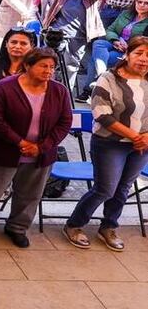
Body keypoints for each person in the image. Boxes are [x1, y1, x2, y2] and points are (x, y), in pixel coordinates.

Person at [0, 47, 73, 248]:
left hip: (40, 154)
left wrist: (41, 146)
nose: (48, 71)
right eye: (43, 66)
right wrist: (20, 142)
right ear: (27, 66)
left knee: (30, 194)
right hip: (3, 151)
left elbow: (64, 122)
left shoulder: (59, 91)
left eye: (52, 67)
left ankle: (17, 228)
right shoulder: (5, 87)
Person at [64, 36, 148, 251]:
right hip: (110, 143)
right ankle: (74, 224)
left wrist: (143, 138)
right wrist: (135, 136)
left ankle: (109, 227)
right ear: (127, 54)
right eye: (139, 53)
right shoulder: (108, 79)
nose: (143, 59)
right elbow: (102, 114)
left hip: (141, 146)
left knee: (123, 188)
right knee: (105, 189)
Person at [39, 0, 109, 99]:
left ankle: (64, 94)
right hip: (58, 33)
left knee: (71, 66)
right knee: (50, 61)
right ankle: (46, 91)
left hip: (79, 36)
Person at [89, 0, 148, 86]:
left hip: (128, 51)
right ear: (135, 2)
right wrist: (115, 41)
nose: (142, 5)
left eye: (146, 3)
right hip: (115, 43)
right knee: (99, 43)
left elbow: (144, 43)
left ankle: (89, 89)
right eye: (139, 2)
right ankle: (101, 76)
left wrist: (128, 48)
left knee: (96, 58)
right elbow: (110, 30)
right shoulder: (126, 14)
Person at [0, 28, 36, 106]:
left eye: (23, 43)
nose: (17, 46)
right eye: (13, 42)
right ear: (6, 44)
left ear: (32, 46)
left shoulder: (35, 69)